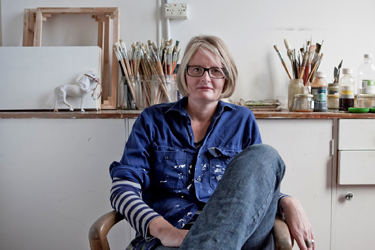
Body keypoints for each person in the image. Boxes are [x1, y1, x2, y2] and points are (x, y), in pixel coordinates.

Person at [110, 35, 315, 250]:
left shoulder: (242, 120)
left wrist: (288, 202)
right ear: (184, 74)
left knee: (265, 155)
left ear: (226, 77)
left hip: (240, 237)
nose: (205, 78)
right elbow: (123, 188)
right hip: (173, 238)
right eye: (197, 69)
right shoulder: (153, 119)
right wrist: (165, 231)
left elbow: (253, 186)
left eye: (216, 71)